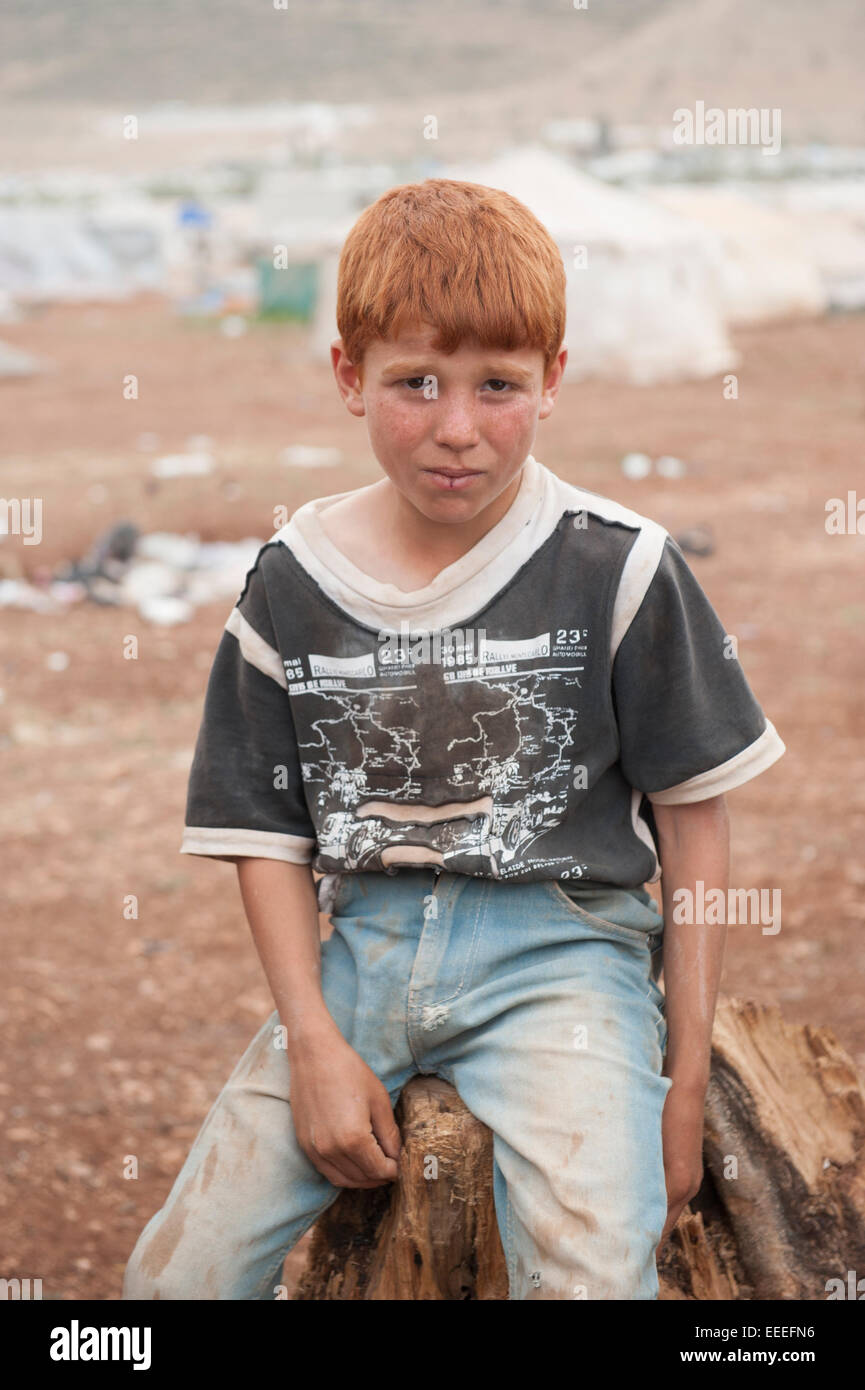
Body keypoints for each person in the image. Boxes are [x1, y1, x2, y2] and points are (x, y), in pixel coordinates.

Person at [121, 178, 785, 1301]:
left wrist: (678, 1086)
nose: (457, 428)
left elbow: (694, 821)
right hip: (359, 957)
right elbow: (264, 837)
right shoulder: (296, 581)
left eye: (498, 386)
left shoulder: (617, 567)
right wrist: (316, 1042)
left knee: (586, 1275)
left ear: (553, 381)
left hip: (567, 959)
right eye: (414, 383)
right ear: (348, 375)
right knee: (170, 1280)